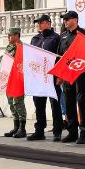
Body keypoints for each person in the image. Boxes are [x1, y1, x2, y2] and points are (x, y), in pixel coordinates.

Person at [57, 11, 85, 144]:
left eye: (67, 19)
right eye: (64, 19)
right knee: (69, 103)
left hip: (80, 74)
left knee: (81, 103)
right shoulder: (63, 35)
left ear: (75, 20)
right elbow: (60, 55)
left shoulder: (84, 33)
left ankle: (84, 133)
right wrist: (59, 74)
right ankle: (72, 132)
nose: (65, 21)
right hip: (67, 74)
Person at [28, 14, 63, 142]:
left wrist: (60, 75)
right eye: (38, 23)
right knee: (39, 104)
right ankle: (39, 130)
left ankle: (57, 131)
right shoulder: (35, 39)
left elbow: (61, 58)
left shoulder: (56, 38)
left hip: (52, 76)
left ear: (48, 23)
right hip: (38, 77)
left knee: (55, 104)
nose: (39, 25)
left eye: (42, 22)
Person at [1, 28, 27, 138]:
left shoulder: (23, 48)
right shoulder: (9, 46)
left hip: (18, 79)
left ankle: (22, 129)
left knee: (18, 103)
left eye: (10, 35)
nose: (8, 38)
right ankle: (16, 127)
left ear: (17, 35)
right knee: (11, 103)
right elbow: (6, 61)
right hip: (9, 79)